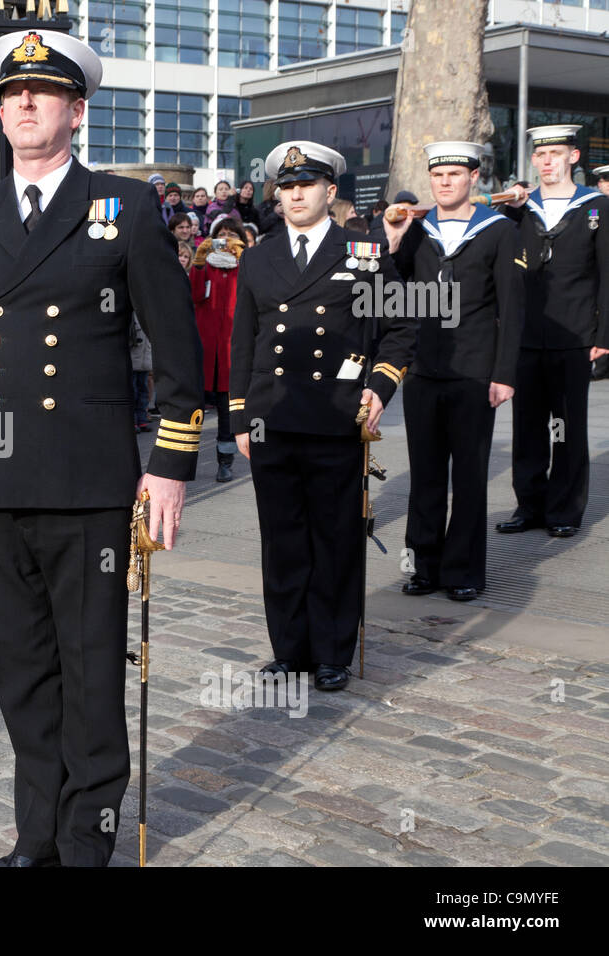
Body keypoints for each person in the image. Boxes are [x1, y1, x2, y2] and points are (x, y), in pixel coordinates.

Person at [0, 28, 203, 867]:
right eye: (12, 94)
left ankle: (86, 840)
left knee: (90, 671)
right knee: (22, 668)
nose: (23, 104)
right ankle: (34, 839)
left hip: (89, 480)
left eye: (43, 94)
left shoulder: (120, 205)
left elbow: (176, 347)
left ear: (76, 111)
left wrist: (169, 463)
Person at [229, 140, 416, 692]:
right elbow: (244, 340)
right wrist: (239, 416)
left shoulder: (363, 251)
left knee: (335, 537)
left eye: (305, 185)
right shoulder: (258, 256)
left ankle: (333, 650)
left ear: (329, 192)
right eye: (285, 187)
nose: (294, 195)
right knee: (282, 539)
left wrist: (380, 387)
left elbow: (401, 328)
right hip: (272, 417)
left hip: (335, 417)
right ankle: (289, 650)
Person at [383, 141, 523, 602]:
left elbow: (513, 306)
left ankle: (463, 570)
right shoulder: (417, 230)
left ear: (474, 178)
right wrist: (393, 238)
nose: (445, 182)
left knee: (467, 475)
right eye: (438, 175)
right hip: (423, 368)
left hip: (474, 372)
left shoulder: (498, 231)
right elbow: (390, 289)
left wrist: (504, 374)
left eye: (454, 175)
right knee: (424, 474)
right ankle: (424, 566)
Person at [495, 125, 609, 538]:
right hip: (525, 336)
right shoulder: (521, 208)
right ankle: (529, 505)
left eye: (555, 154)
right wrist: (509, 206)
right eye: (541, 155)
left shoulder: (595, 206)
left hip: (575, 335)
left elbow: (607, 275)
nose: (546, 162)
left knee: (566, 427)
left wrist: (604, 335)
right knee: (526, 427)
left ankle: (563, 510)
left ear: (573, 158)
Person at [190, 215, 247, 482]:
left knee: (228, 413)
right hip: (204, 350)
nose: (225, 240)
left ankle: (225, 460)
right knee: (192, 409)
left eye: (231, 234)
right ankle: (183, 459)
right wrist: (199, 263)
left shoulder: (244, 267)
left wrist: (247, 260)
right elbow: (194, 295)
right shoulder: (205, 266)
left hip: (230, 353)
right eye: (220, 235)